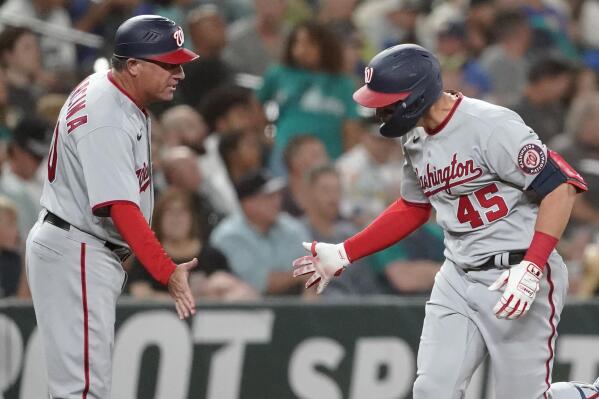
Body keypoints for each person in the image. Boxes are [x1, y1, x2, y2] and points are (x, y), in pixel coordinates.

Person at [292, 44, 598, 398]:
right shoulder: (415, 134)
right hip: (457, 274)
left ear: (417, 95)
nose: (379, 111)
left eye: (387, 101)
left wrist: (532, 266)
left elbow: (561, 189)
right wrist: (346, 251)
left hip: (516, 274)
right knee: (432, 390)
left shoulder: (490, 124)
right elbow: (413, 207)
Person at [25, 15, 199, 399]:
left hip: (76, 245)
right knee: (83, 392)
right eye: (168, 63)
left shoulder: (112, 90)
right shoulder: (108, 117)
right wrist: (166, 272)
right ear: (133, 65)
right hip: (78, 250)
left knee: (81, 388)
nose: (180, 73)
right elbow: (121, 208)